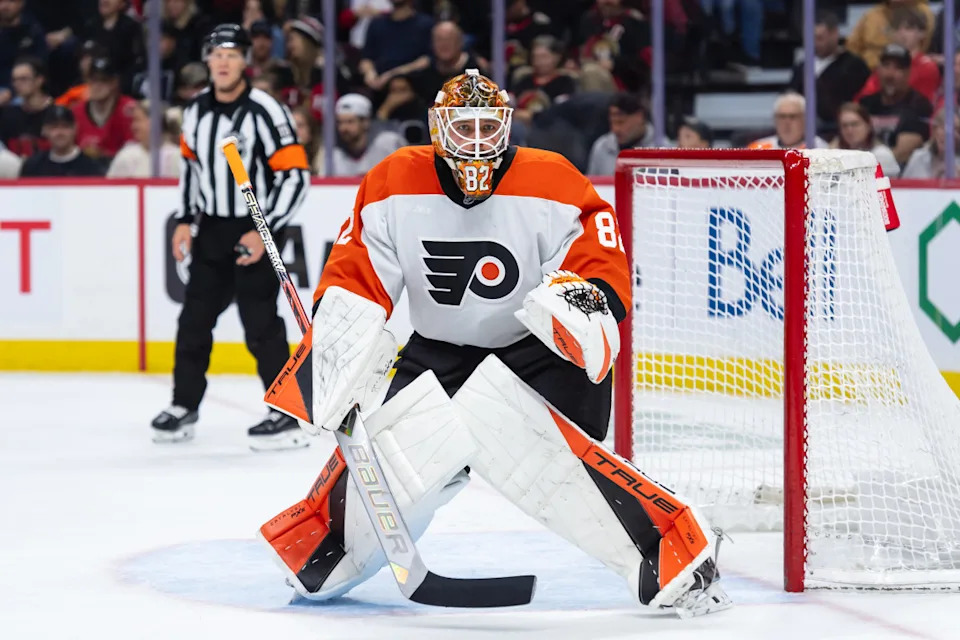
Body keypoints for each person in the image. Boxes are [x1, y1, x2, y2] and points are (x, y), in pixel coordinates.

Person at [258, 69, 732, 618]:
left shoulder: (551, 178)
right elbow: (358, 275)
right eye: (464, 127)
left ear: (508, 126)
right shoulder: (392, 180)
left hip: (535, 353)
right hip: (437, 351)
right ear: (438, 128)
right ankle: (328, 544)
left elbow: (598, 256)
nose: (477, 140)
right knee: (396, 460)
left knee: (542, 459)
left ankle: (673, 552)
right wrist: (336, 353)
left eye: (489, 126)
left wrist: (585, 305)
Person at [150, 24, 311, 450]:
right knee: (193, 322)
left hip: (255, 228)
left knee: (261, 327)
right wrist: (185, 219)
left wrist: (266, 229)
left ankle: (287, 412)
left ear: (245, 61)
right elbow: (191, 171)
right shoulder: (195, 111)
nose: (222, 61)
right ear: (207, 61)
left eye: (231, 54)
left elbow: (296, 176)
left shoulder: (265, 109)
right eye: (216, 53)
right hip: (213, 231)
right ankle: (184, 405)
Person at [787, 10, 870, 131]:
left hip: (840, 127)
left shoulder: (854, 66)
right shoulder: (803, 66)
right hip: (804, 127)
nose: (815, 43)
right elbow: (791, 94)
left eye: (820, 38)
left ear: (834, 34)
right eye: (811, 39)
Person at [859, 43, 933, 165]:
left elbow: (902, 153)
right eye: (886, 66)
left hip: (901, 174)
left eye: (898, 68)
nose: (890, 74)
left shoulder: (919, 105)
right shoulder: (866, 103)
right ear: (878, 70)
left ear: (908, 73)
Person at [330, 92, 405, 176]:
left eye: (350, 122)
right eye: (340, 122)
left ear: (365, 122)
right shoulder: (335, 155)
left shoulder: (387, 143)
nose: (343, 128)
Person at [19, 105, 103, 176]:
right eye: (54, 127)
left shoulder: (91, 166)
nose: (60, 133)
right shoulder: (32, 166)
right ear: (44, 130)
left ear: (75, 129)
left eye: (65, 126)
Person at [106, 100, 181, 177]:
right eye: (133, 121)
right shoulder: (126, 155)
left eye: (137, 120)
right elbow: (110, 187)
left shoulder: (177, 156)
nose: (133, 126)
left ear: (155, 122)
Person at [587, 92, 655, 175]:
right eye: (612, 122)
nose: (615, 129)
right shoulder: (601, 147)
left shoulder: (664, 149)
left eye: (620, 122)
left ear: (639, 117)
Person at [0, 56, 54, 158]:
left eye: (23, 79)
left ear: (39, 80)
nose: (17, 84)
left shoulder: (56, 113)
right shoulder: (8, 115)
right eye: (15, 80)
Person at [832, 102, 900, 177]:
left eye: (855, 124)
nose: (849, 130)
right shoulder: (835, 154)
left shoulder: (881, 154)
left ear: (868, 125)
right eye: (844, 126)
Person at [748, 92, 829, 150]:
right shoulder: (758, 148)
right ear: (775, 119)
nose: (787, 122)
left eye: (792, 116)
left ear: (804, 119)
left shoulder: (818, 148)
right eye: (782, 116)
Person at [901, 107, 960, 178]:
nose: (949, 134)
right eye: (944, 128)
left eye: (957, 130)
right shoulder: (919, 157)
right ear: (935, 130)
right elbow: (905, 186)